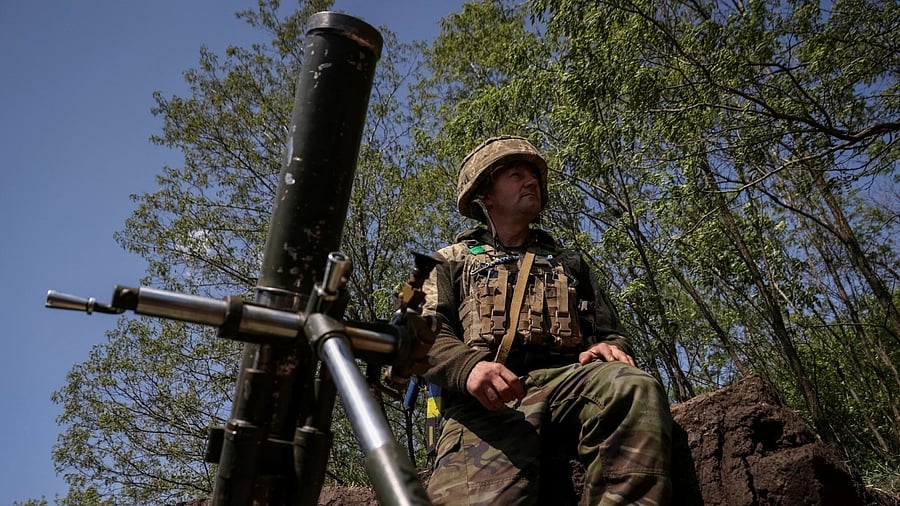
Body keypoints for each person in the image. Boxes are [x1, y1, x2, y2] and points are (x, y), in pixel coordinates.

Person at [421, 136, 672, 505]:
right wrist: (468, 369)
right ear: (484, 196)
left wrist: (609, 348)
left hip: (570, 385)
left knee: (633, 386)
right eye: (515, 174)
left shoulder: (569, 262)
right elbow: (419, 334)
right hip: (487, 403)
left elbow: (611, 333)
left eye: (535, 176)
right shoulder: (446, 261)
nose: (531, 182)